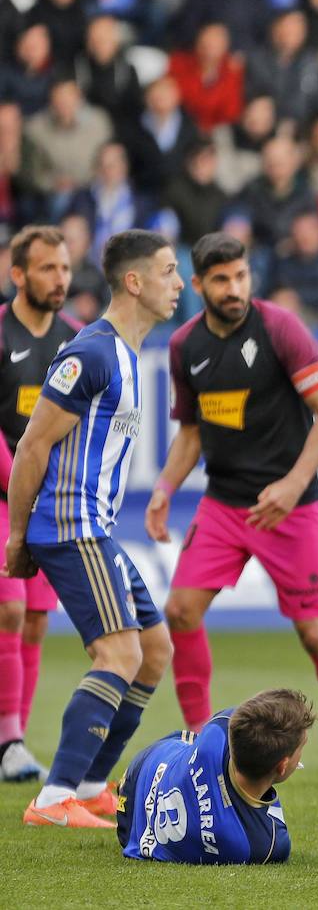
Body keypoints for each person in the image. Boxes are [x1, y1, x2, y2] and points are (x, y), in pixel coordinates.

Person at [144, 234, 318, 789]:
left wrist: (292, 484)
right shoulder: (185, 346)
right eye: (221, 280)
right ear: (198, 286)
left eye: (241, 276)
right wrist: (165, 488)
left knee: (315, 634)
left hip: (289, 507)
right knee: (181, 612)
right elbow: (191, 433)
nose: (234, 288)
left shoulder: (280, 329)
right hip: (224, 503)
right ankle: (198, 743)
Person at [8, 229, 182, 828]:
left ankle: (87, 784)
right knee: (118, 652)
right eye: (167, 271)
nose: (178, 283)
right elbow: (31, 447)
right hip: (70, 523)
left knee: (155, 652)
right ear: (134, 282)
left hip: (95, 528)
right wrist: (17, 536)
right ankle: (54, 800)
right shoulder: (93, 352)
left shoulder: (129, 357)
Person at [0, 227, 81, 783]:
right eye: (48, 268)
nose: (60, 279)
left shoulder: (75, 342)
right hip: (2, 497)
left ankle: (16, 743)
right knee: (8, 609)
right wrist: (18, 485)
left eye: (65, 268)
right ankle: (9, 736)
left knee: (34, 619)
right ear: (18, 275)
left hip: (49, 503)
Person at [116, 688, 315, 863]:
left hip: (147, 765)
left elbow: (249, 715)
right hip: (133, 830)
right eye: (301, 747)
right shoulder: (265, 843)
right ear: (282, 766)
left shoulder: (218, 730)